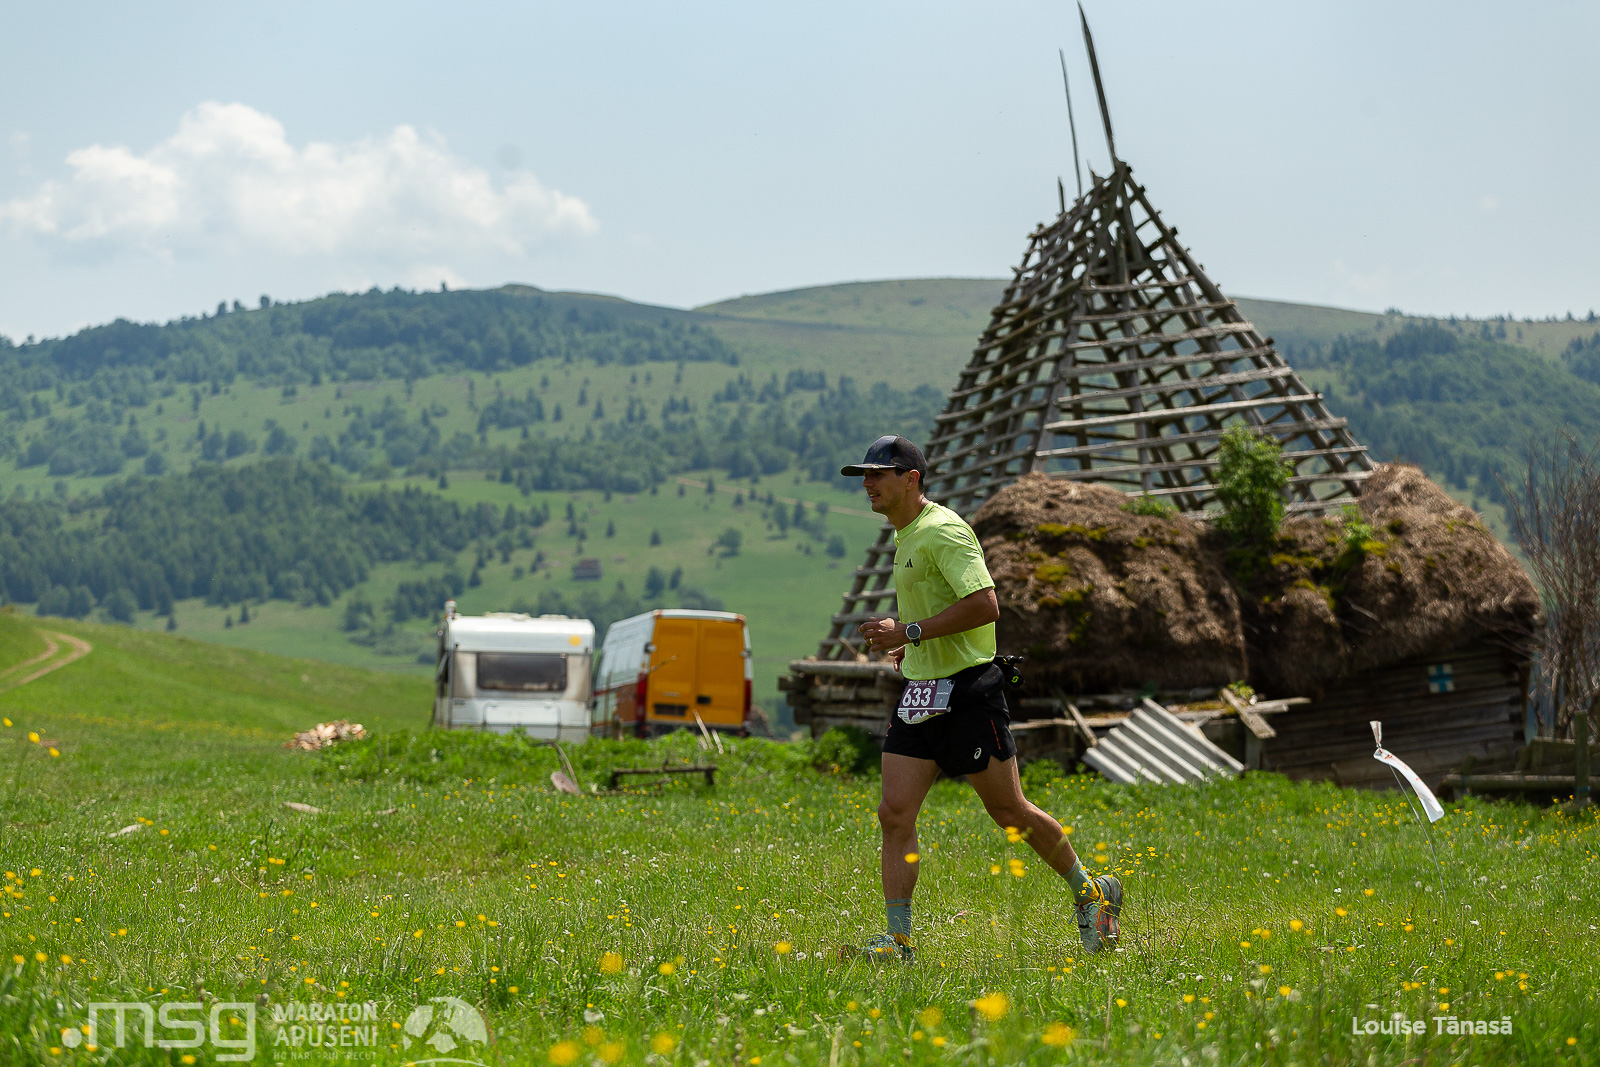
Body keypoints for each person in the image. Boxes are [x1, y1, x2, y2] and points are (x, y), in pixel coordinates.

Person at [841, 434, 1122, 963]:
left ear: (911, 479)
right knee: (894, 812)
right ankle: (898, 940)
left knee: (1009, 811)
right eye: (864, 475)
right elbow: (938, 613)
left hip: (969, 692)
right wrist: (912, 646)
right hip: (921, 692)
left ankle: (1091, 893)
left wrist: (910, 631)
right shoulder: (906, 535)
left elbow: (986, 605)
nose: (868, 484)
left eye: (878, 474)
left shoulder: (944, 530)